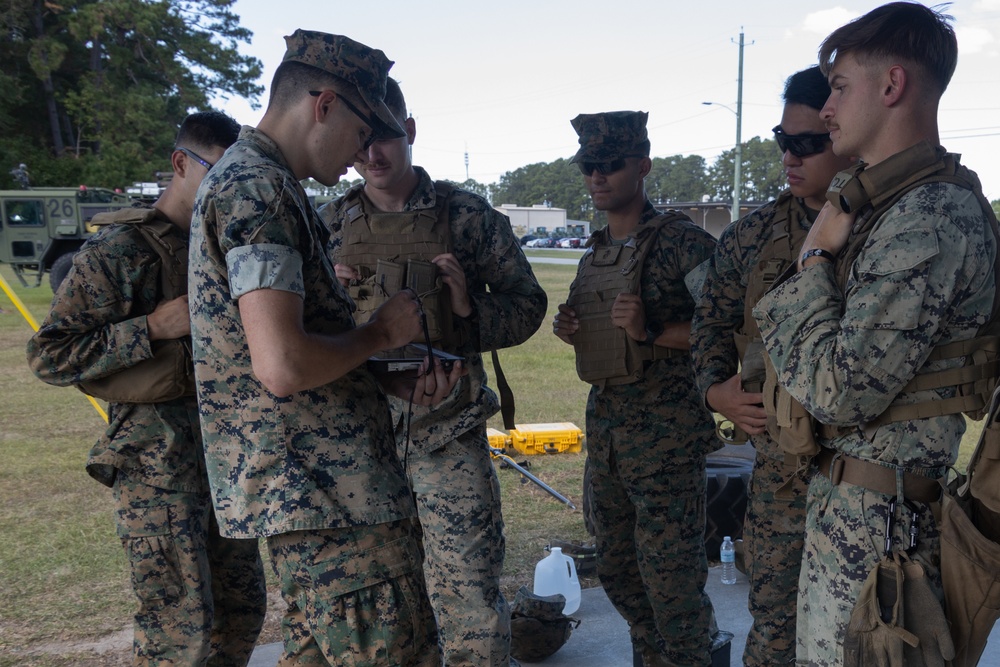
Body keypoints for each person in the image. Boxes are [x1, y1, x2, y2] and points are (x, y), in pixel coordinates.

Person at [186, 30, 465, 666]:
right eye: (364, 131)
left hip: (313, 496)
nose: (366, 152)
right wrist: (381, 334)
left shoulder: (257, 182)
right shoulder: (257, 190)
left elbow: (285, 354)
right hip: (330, 500)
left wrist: (371, 372)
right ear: (325, 105)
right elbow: (282, 365)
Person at [752, 4, 999, 664]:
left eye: (838, 87)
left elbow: (840, 389)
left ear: (891, 86)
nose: (826, 108)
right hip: (854, 518)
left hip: (882, 539)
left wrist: (812, 262)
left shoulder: (929, 215)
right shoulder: (883, 209)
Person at [320, 77, 547, 667]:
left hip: (447, 434)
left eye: (387, 137)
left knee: (468, 594)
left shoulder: (468, 217)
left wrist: (470, 311)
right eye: (362, 140)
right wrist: (325, 297)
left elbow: (528, 306)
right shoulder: (329, 224)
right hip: (360, 443)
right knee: (383, 604)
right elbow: (288, 328)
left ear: (411, 131)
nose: (373, 155)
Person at [26, 111, 267, 665]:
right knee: (178, 631)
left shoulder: (230, 249)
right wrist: (153, 328)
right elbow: (50, 355)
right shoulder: (118, 253)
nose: (230, 186)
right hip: (157, 473)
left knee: (242, 610)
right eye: (219, 170)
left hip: (228, 463)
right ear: (182, 164)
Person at [690, 66, 855, 666]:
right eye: (782, 141)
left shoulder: (884, 226)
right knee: (775, 627)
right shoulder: (750, 235)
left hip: (860, 472)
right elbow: (709, 321)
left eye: (807, 143)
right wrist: (715, 391)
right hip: (779, 473)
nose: (790, 155)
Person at [553, 111, 719, 666]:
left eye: (609, 165)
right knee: (622, 577)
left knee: (673, 588)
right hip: (608, 440)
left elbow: (730, 331)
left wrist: (652, 330)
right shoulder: (596, 251)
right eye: (588, 167)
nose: (596, 177)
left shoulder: (684, 245)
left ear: (643, 166)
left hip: (666, 443)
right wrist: (573, 329)